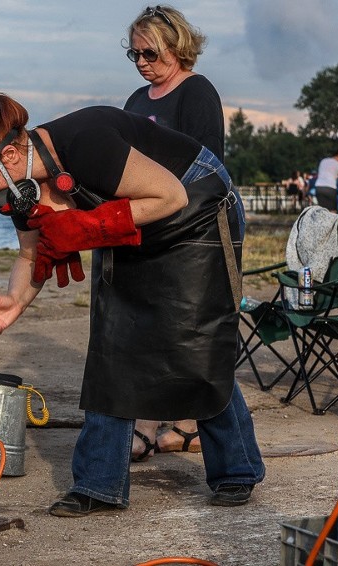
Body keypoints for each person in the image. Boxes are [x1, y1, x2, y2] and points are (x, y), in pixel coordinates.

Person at [0, 93, 265, 515]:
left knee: (195, 341)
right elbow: (29, 254)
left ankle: (236, 471)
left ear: (6, 155)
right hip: (137, 219)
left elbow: (170, 197)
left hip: (198, 206)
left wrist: (86, 226)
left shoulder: (86, 143)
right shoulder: (18, 190)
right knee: (113, 340)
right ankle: (99, 483)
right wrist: (15, 301)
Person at [122, 4, 227, 459]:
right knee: (143, 334)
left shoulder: (197, 93)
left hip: (189, 232)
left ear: (177, 46)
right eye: (134, 54)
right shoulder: (135, 101)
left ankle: (184, 426)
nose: (142, 61)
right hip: (143, 229)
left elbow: (207, 170)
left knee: (185, 335)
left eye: (150, 52)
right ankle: (151, 422)